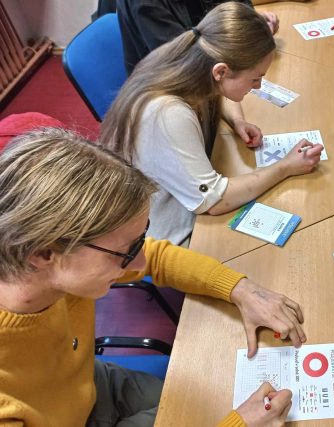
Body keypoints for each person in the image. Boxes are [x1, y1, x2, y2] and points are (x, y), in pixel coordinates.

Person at [0, 128, 304, 426]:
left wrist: (243, 290)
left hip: (91, 384)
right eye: (127, 250)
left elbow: (158, 257)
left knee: (209, 403)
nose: (141, 262)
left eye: (139, 240)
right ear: (42, 254)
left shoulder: (48, 267)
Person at [101, 2, 324, 245]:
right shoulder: (169, 113)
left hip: (181, 198)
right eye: (255, 78)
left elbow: (215, 91)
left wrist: (237, 120)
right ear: (221, 71)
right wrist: (286, 167)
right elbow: (214, 201)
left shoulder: (185, 61)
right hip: (164, 236)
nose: (258, 86)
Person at [117, 0, 294, 74]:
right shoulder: (144, 3)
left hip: (216, 67)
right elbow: (184, 56)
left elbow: (234, 4)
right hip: (173, 82)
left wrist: (250, 21)